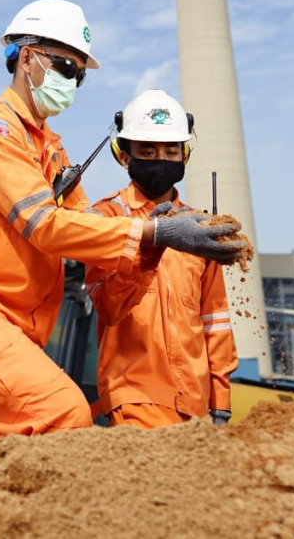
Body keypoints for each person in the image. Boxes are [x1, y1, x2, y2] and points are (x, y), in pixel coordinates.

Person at [0, 0, 244, 458]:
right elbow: (44, 225)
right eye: (65, 66)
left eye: (79, 74)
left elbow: (85, 229)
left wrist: (158, 229)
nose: (72, 81)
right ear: (26, 58)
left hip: (14, 327)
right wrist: (154, 234)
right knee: (64, 411)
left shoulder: (52, 151)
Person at [84, 90, 238, 429]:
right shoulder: (105, 218)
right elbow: (108, 305)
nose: (161, 159)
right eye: (148, 151)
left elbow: (215, 319)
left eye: (171, 150)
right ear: (124, 156)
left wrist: (221, 401)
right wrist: (150, 243)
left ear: (185, 154)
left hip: (194, 401)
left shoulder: (200, 227)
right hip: (134, 395)